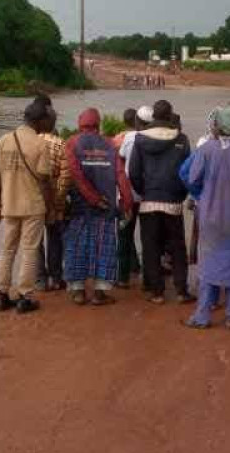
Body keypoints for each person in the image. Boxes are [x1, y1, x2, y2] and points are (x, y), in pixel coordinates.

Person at [182, 107, 230, 329]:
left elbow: (192, 178)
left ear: (217, 124)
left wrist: (204, 193)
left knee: (208, 265)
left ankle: (202, 315)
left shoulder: (206, 150)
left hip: (211, 217)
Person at [64, 109, 134, 305]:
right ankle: (99, 294)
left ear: (80, 124)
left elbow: (75, 176)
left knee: (77, 247)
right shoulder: (110, 144)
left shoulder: (71, 143)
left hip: (79, 207)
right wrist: (126, 203)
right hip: (106, 207)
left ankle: (78, 291)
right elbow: (121, 175)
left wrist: (90, 198)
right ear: (98, 124)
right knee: (104, 248)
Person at [128, 100, 194, 304]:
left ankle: (157, 292)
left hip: (148, 201)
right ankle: (182, 291)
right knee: (177, 248)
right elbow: (187, 173)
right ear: (169, 115)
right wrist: (180, 194)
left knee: (151, 247)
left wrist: (145, 192)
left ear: (154, 116)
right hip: (173, 203)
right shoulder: (181, 139)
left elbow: (134, 173)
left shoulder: (140, 139)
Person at [0, 101, 52, 313]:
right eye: (46, 118)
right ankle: (25, 296)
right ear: (38, 121)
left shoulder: (4, 140)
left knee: (7, 250)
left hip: (9, 204)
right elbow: (44, 181)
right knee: (29, 251)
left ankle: (1, 295)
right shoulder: (40, 144)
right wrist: (51, 207)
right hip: (32, 207)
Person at [37, 106, 70, 291]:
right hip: (54, 198)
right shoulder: (60, 144)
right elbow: (65, 178)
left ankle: (40, 280)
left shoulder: (30, 142)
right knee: (55, 238)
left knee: (35, 241)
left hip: (33, 198)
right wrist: (58, 203)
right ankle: (56, 278)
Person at [113, 109, 142, 288]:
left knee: (124, 234)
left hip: (125, 195)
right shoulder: (145, 138)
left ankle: (123, 277)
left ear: (124, 121)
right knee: (147, 236)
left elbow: (118, 166)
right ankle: (137, 267)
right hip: (145, 195)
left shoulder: (118, 139)